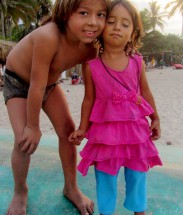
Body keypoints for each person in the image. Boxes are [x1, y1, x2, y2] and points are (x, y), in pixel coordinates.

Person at [3, 0, 110, 214]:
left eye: (100, 15)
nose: (93, 22)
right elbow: (35, 86)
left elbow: (91, 93)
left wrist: (83, 126)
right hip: (18, 82)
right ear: (65, 14)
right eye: (83, 13)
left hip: (48, 84)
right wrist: (33, 127)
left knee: (67, 132)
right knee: (23, 140)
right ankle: (20, 191)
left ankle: (71, 188)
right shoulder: (47, 37)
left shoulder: (90, 49)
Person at [69, 1, 163, 215]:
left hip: (135, 129)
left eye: (125, 24)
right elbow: (88, 99)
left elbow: (145, 92)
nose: (117, 27)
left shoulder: (137, 61)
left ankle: (139, 210)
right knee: (105, 175)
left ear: (133, 32)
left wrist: (155, 117)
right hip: (105, 132)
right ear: (102, 28)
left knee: (138, 172)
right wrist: (83, 128)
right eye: (111, 22)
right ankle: (106, 211)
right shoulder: (91, 66)